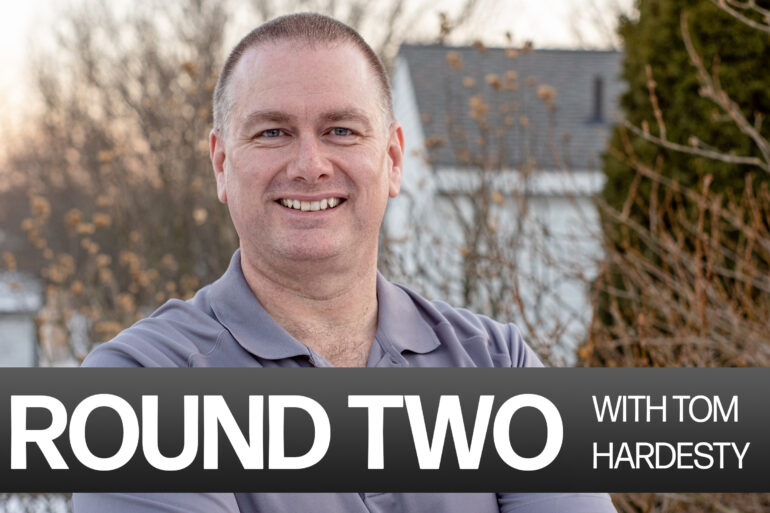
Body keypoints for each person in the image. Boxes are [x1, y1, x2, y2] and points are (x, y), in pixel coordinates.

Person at [74, 12, 616, 513]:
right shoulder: (139, 388)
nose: (310, 166)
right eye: (272, 133)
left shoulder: (498, 364)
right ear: (221, 164)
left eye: (341, 131)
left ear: (394, 160)